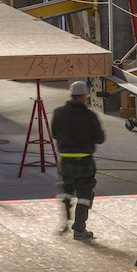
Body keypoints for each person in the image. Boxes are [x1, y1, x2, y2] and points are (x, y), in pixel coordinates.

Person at [50, 80, 105, 242]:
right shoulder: (90, 116)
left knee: (66, 190)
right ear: (84, 97)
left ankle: (65, 220)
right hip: (84, 162)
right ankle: (79, 228)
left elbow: (54, 134)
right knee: (85, 195)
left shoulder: (59, 112)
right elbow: (100, 138)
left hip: (65, 161)